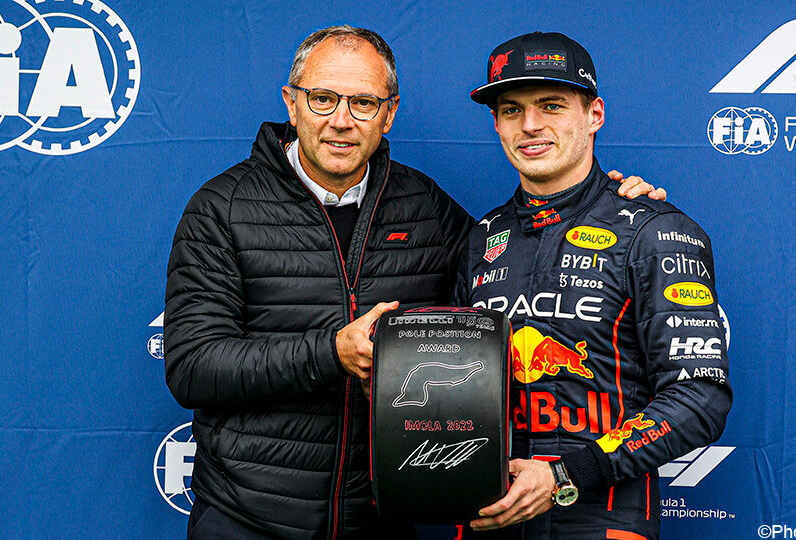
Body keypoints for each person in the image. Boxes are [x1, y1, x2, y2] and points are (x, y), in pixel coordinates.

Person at [164, 25, 663, 540]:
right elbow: (191, 367)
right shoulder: (222, 208)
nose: (341, 120)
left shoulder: (425, 206)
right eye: (322, 99)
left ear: (389, 113)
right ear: (292, 104)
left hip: (380, 519)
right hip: (248, 519)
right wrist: (332, 353)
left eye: (363, 103)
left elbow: (515, 266)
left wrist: (607, 207)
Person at [453, 32, 732, 539]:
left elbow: (699, 398)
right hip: (491, 516)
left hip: (603, 519)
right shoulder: (480, 238)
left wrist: (565, 475)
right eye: (512, 110)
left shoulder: (656, 231)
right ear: (496, 123)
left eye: (552, 105)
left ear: (594, 114)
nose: (529, 125)